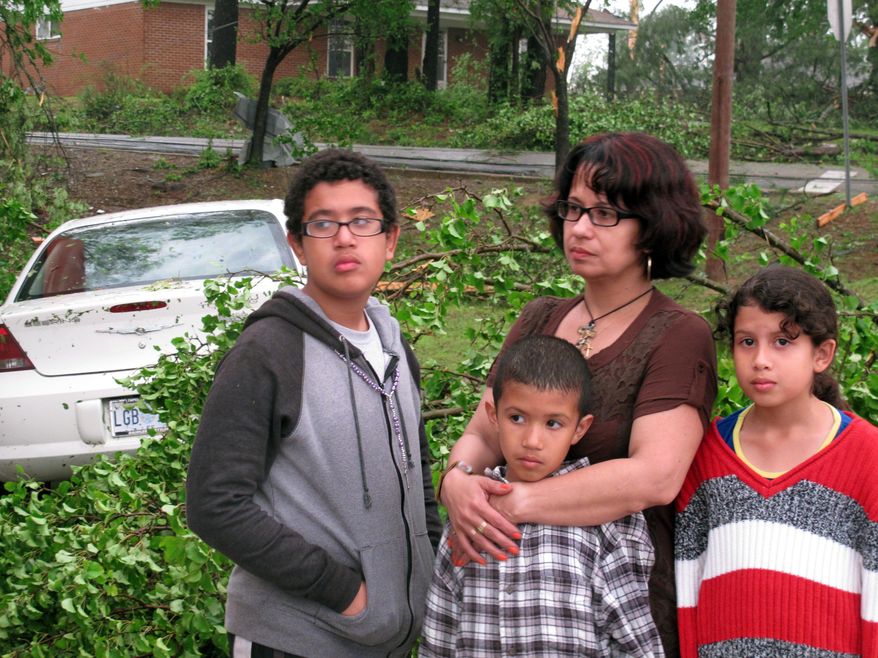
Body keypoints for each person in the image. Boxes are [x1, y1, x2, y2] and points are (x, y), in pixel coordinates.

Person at [438, 131, 718, 656]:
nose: (581, 228)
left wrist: (517, 503)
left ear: (654, 226)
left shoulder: (678, 334)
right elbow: (484, 430)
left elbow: (654, 476)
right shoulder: (540, 317)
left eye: (606, 213)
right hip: (501, 608)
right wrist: (457, 481)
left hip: (610, 614)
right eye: (573, 208)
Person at [186, 149, 442, 658]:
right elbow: (215, 504)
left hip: (383, 640)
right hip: (294, 639)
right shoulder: (269, 352)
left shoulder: (393, 346)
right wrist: (345, 593)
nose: (344, 238)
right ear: (298, 245)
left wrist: (431, 562)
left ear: (390, 240)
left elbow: (418, 473)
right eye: (323, 224)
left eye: (362, 221)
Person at [675, 265, 878, 657]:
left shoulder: (867, 456)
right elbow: (687, 584)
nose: (761, 359)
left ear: (822, 354)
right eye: (746, 341)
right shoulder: (705, 454)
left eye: (782, 342)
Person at [421, 335, 664, 657]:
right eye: (517, 418)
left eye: (553, 423)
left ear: (579, 429)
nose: (532, 440)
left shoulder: (605, 521)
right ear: (493, 415)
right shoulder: (470, 511)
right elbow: (440, 631)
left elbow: (634, 638)